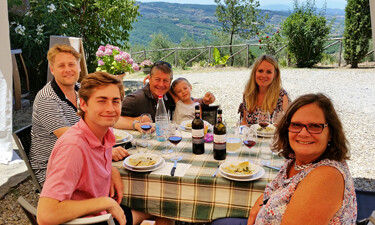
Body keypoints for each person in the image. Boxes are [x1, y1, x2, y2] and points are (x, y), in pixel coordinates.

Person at [37, 71, 173, 225]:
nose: (110, 108)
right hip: (92, 220)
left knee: (162, 207)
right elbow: (45, 214)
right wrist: (105, 202)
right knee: (165, 210)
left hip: (99, 213)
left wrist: (110, 168)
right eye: (102, 101)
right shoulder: (73, 146)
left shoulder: (103, 132)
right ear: (83, 104)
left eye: (115, 101)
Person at [212, 93, 357, 225]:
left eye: (314, 126)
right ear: (287, 128)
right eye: (296, 125)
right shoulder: (297, 160)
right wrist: (261, 204)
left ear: (330, 133)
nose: (303, 133)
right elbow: (281, 188)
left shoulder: (326, 177)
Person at [29, 44, 129, 186]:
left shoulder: (80, 89)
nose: (68, 70)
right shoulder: (47, 98)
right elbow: (68, 137)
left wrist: (135, 125)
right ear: (52, 70)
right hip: (54, 168)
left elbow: (103, 115)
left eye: (72, 64)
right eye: (61, 66)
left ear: (79, 67)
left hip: (80, 157)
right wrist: (105, 153)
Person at [115, 61, 215, 131]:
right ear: (149, 79)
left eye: (165, 80)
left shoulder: (168, 95)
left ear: (170, 82)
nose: (162, 85)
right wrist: (137, 121)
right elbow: (113, 119)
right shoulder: (136, 99)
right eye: (157, 79)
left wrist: (205, 101)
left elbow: (189, 101)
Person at [238, 54, 290, 125]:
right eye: (260, 71)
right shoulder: (248, 94)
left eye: (268, 72)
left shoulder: (282, 97)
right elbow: (244, 122)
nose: (264, 75)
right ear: (254, 72)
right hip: (251, 136)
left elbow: (287, 126)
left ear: (274, 74)